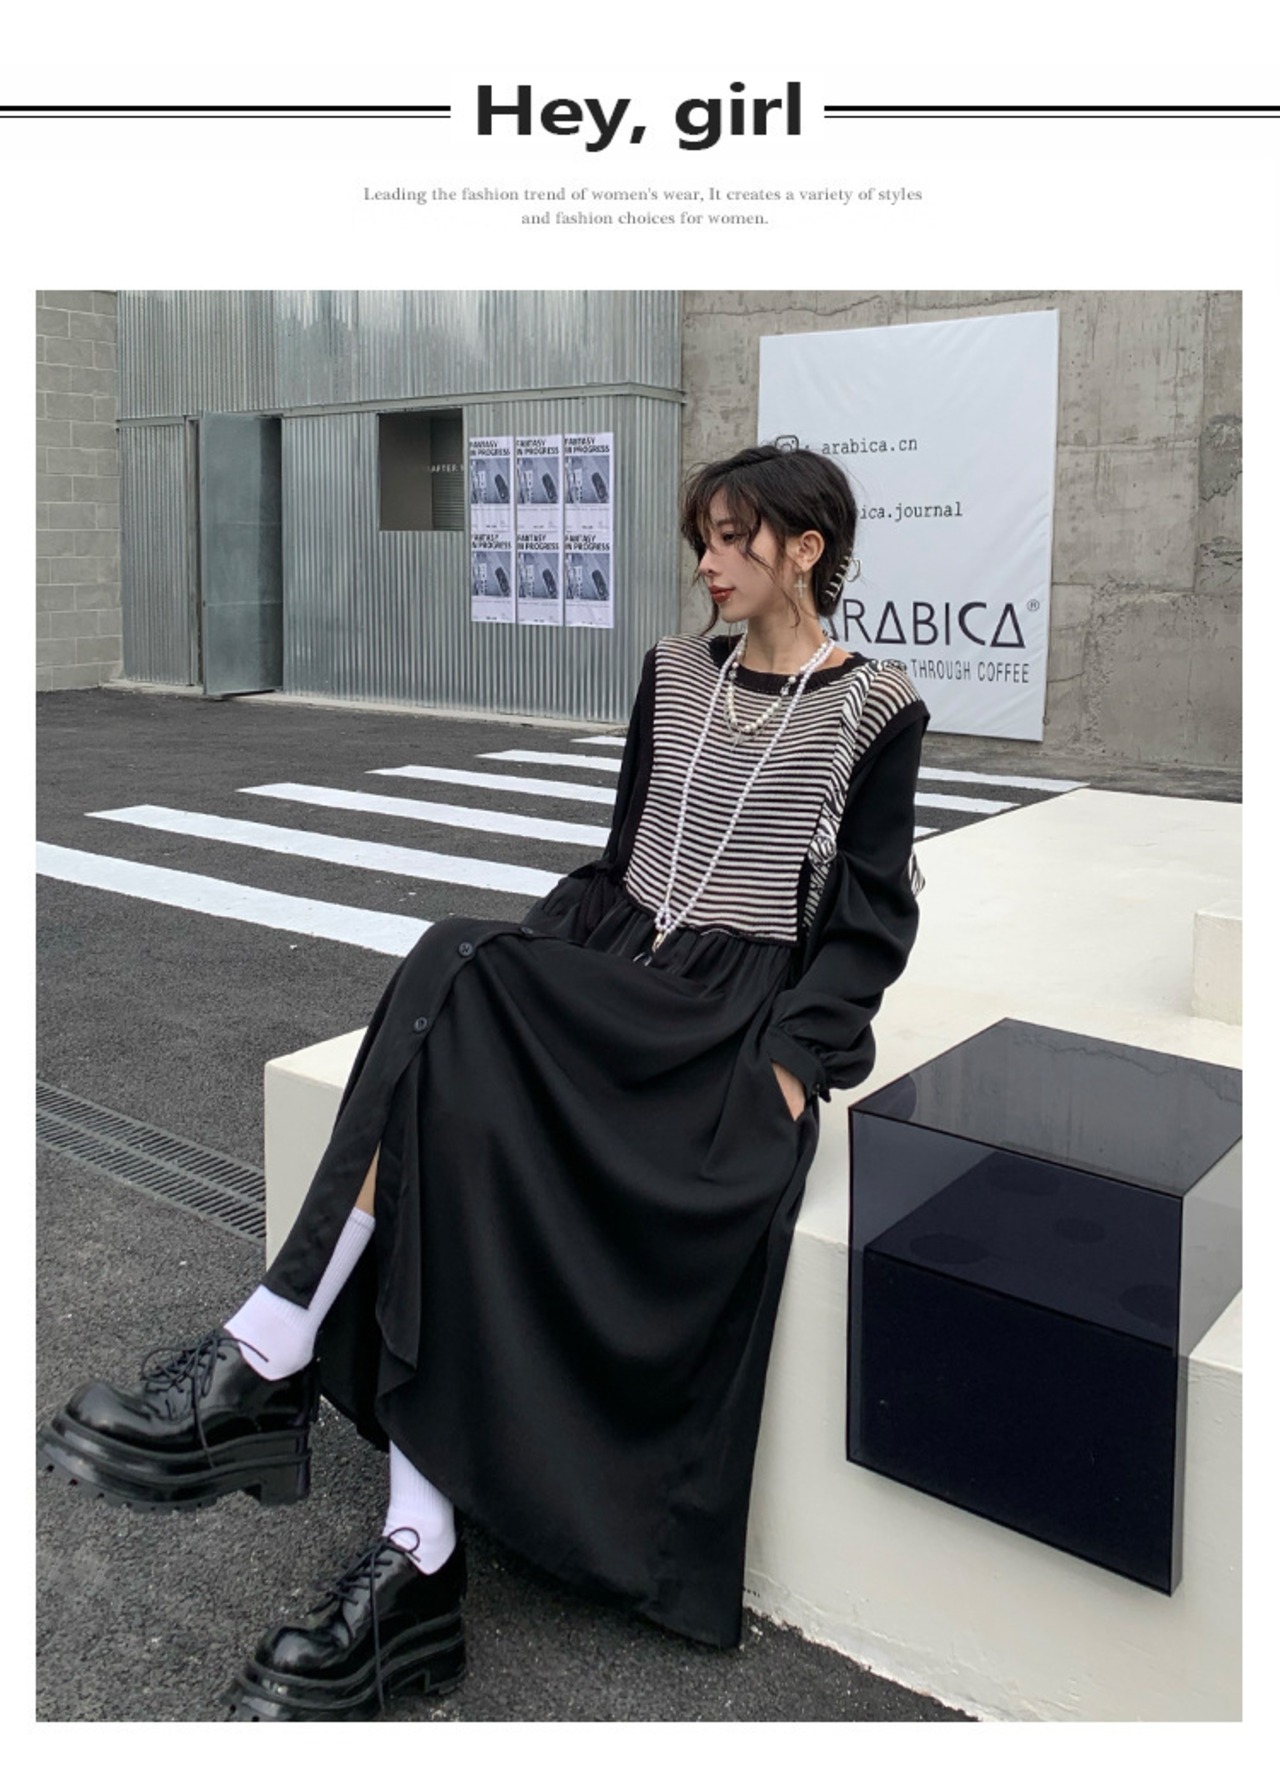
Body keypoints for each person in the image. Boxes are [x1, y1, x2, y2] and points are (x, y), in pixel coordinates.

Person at [38, 442, 930, 1722]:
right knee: (451, 1068)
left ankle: (273, 1353)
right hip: (620, 968)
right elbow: (621, 858)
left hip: (722, 1024)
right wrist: (532, 991)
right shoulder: (674, 671)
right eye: (702, 535)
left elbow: (867, 925)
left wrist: (790, 1071)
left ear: (804, 548)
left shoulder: (873, 707)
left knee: (451, 968)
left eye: (734, 537)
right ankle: (410, 1551)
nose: (707, 561)